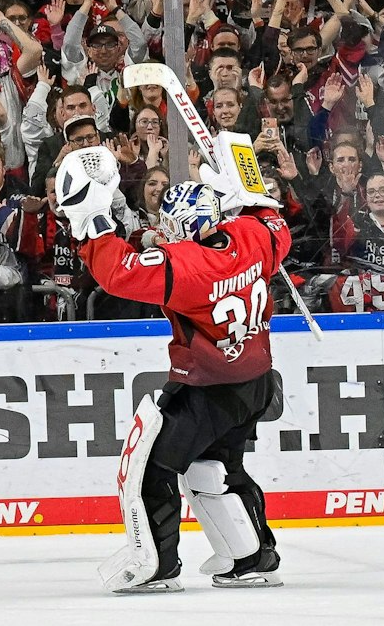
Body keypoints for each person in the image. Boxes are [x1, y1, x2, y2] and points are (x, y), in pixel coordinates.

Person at [58, 132, 292, 591]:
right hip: (255, 382)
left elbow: (116, 273)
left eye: (169, 226)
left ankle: (156, 566)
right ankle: (253, 556)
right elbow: (270, 218)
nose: (162, 233)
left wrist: (89, 219)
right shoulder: (255, 237)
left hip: (207, 387)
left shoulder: (185, 267)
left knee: (150, 468)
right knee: (217, 469)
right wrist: (244, 184)